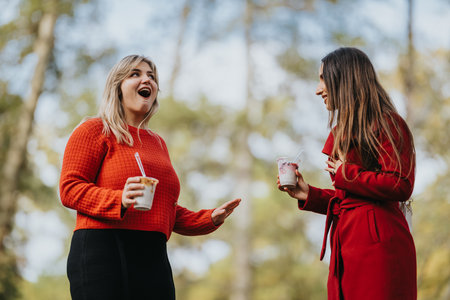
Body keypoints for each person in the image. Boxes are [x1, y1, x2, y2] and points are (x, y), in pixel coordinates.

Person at [59, 54, 241, 300]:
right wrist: (119, 199)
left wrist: (209, 218)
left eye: (152, 76)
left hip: (153, 253)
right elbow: (70, 189)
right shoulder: (94, 130)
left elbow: (164, 207)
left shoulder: (157, 143)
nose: (147, 79)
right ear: (118, 87)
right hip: (103, 248)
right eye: (135, 74)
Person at [278, 47, 416, 300]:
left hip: (379, 251)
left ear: (345, 79)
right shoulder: (342, 131)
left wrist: (347, 173)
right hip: (346, 245)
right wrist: (310, 194)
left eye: (323, 79)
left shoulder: (389, 124)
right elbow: (349, 201)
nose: (318, 89)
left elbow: (401, 184)